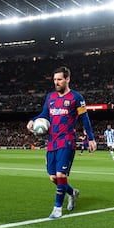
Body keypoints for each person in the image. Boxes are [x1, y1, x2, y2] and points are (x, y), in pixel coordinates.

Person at [27, 66, 97, 219]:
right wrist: (33, 120)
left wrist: (91, 138)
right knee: (53, 177)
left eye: (59, 79)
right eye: (54, 80)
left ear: (67, 79)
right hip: (52, 140)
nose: (56, 82)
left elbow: (85, 118)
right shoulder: (50, 97)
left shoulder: (76, 98)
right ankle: (72, 193)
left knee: (61, 174)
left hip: (67, 141)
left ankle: (57, 208)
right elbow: (45, 114)